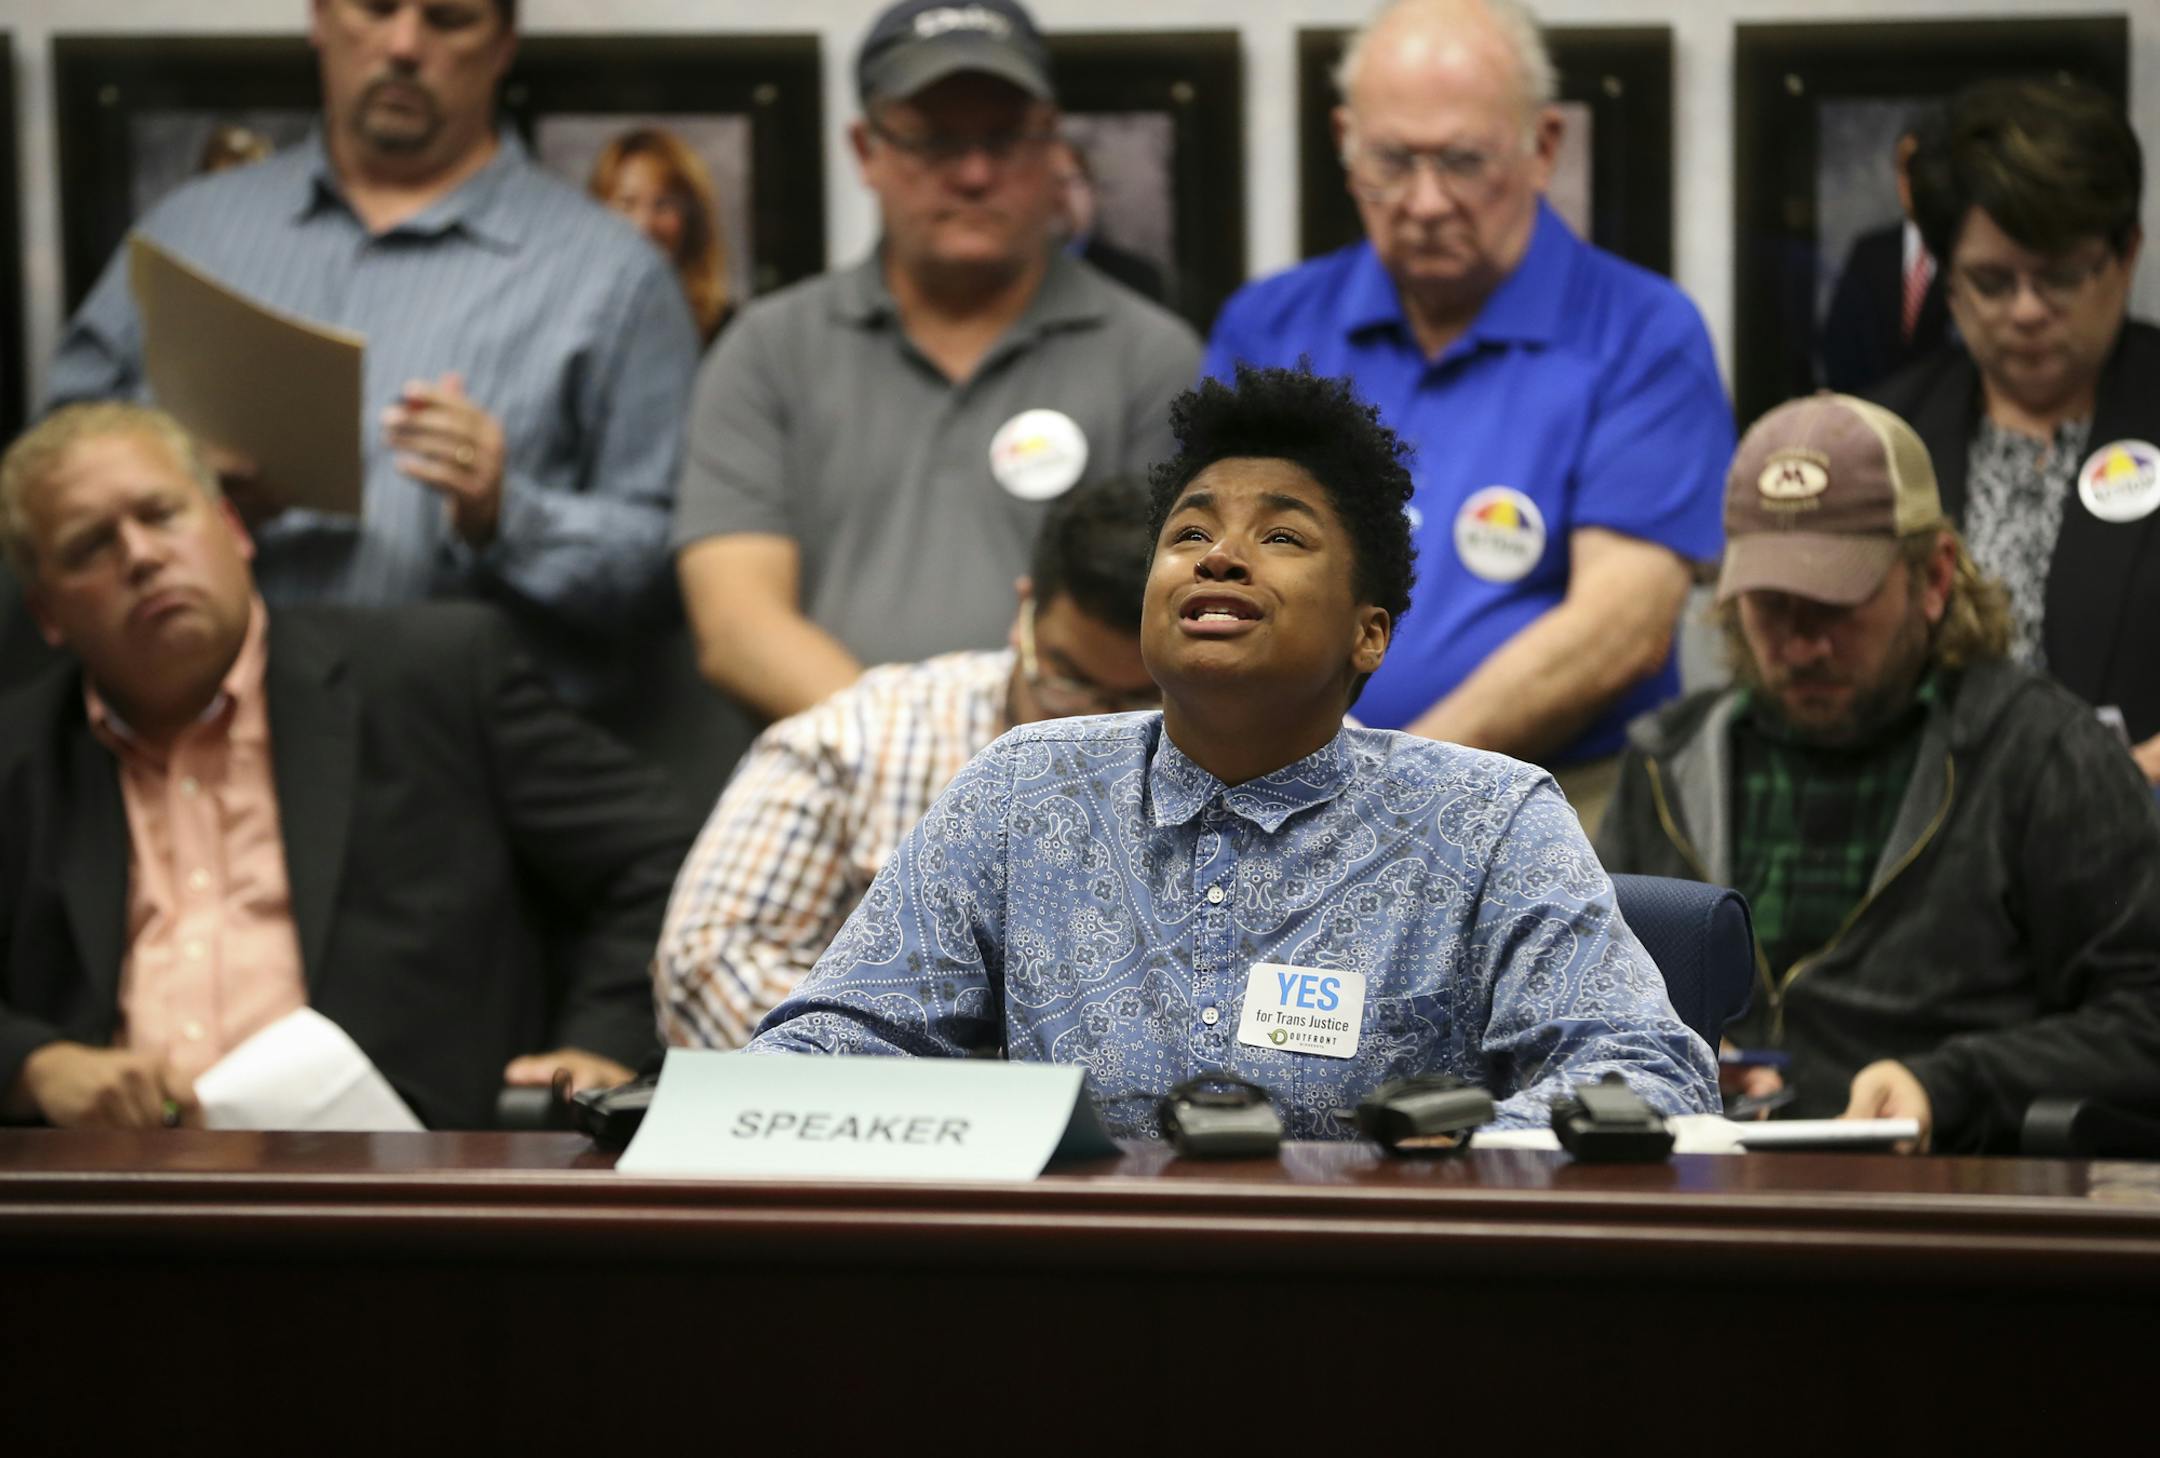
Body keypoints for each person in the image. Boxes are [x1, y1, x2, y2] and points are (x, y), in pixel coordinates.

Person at [747, 365, 1719, 1139]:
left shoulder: (1491, 817)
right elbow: (843, 1031)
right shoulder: (1025, 787)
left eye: (1283, 537)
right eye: (1191, 531)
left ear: (1368, 634)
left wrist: (1424, 1170)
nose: (1218, 556)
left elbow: (1643, 1074)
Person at [0, 403, 700, 1130]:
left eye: (161, 514)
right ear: (47, 612)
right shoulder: (18, 754)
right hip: (104, 1194)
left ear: (233, 530)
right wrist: (30, 1064)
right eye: (90, 547)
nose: (140, 556)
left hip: (401, 1181)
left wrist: (595, 1045)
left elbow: (666, 857)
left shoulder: (433, 674)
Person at [45, 0, 699, 711]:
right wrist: (166, 485)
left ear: (504, 45)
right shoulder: (188, 234)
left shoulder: (615, 276)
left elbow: (671, 573)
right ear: (320, 17)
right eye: (376, 8)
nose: (406, 45)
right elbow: (44, 487)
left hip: (469, 756)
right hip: (198, 742)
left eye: (450, 19)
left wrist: (505, 516)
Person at [1202, 0, 1731, 832]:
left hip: (1554, 804)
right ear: (1345, 142)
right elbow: (1220, 576)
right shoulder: (1271, 326)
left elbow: (1620, 629)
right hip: (1276, 801)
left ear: (1543, 147)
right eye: (1390, 162)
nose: (1424, 201)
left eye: (1462, 161)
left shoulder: (1642, 334)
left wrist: (1377, 789)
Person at [1595, 392, 2160, 1153]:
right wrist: (1670, 1062)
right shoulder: (1665, 763)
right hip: (1702, 1201)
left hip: (1941, 1206)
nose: (1802, 644)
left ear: (1933, 580)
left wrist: (1952, 1082)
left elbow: (2146, 1017)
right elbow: (1574, 1007)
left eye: (1835, 603)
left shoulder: (2039, 756)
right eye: (1771, 605)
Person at [673, 0, 1201, 726]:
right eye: (935, 142)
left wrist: (1008, 777)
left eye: (1007, 138)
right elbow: (737, 627)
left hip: (1077, 792)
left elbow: (1169, 623)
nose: (975, 173)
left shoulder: (1153, 358)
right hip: (834, 782)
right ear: (866, 151)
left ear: (1053, 150)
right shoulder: (768, 351)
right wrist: (913, 758)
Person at [656, 475, 1160, 1050]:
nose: (1096, 720)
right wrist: (931, 1084)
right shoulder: (856, 738)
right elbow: (707, 960)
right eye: (1068, 681)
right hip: (889, 1112)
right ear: (1024, 615)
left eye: (1144, 699)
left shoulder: (1245, 765)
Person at [1871, 76, 2160, 786]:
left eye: (2059, 277)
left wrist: (2121, 784)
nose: (2027, 311)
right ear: (1948, 281)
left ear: (2126, 256)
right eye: (1993, 282)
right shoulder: (1882, 433)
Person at [1820, 120, 1950, 395]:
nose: (1909, 180)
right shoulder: (1869, 252)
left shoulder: (1965, 250)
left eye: (1918, 169)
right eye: (1902, 169)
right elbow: (1839, 344)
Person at [589, 125, 732, 346]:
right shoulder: (577, 320)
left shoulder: (727, 331)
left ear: (692, 217)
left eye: (664, 204)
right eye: (627, 203)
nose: (644, 225)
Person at [1053, 140, 1168, 303]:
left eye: (1071, 183)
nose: (1059, 197)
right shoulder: (1008, 277)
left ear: (1093, 193)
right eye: (1049, 183)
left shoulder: (1136, 278)